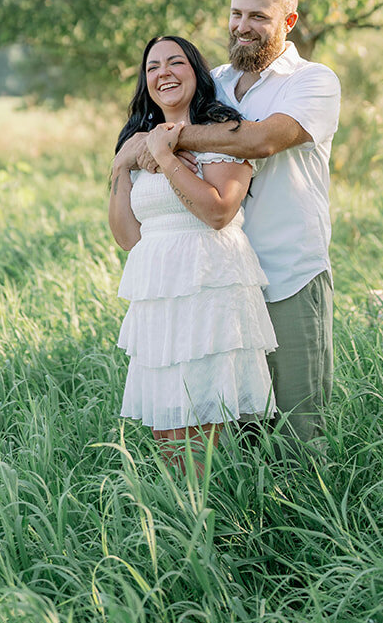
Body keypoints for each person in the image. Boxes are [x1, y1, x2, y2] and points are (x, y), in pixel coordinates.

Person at [115, 0, 340, 443]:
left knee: (300, 426)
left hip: (287, 272)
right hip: (216, 279)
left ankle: (315, 515)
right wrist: (133, 153)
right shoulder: (213, 83)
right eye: (236, 13)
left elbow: (258, 141)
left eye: (258, 15)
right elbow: (164, 107)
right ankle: (242, 517)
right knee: (237, 425)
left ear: (289, 20)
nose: (242, 25)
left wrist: (159, 142)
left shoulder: (313, 82)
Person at [109, 34, 277, 469]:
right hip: (160, 290)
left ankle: (214, 521)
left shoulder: (222, 130)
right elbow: (129, 237)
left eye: (175, 62)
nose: (163, 73)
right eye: (152, 67)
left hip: (209, 281)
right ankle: (178, 517)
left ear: (196, 72)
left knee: (202, 419)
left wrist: (166, 158)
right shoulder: (138, 139)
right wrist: (122, 164)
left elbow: (219, 213)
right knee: (167, 425)